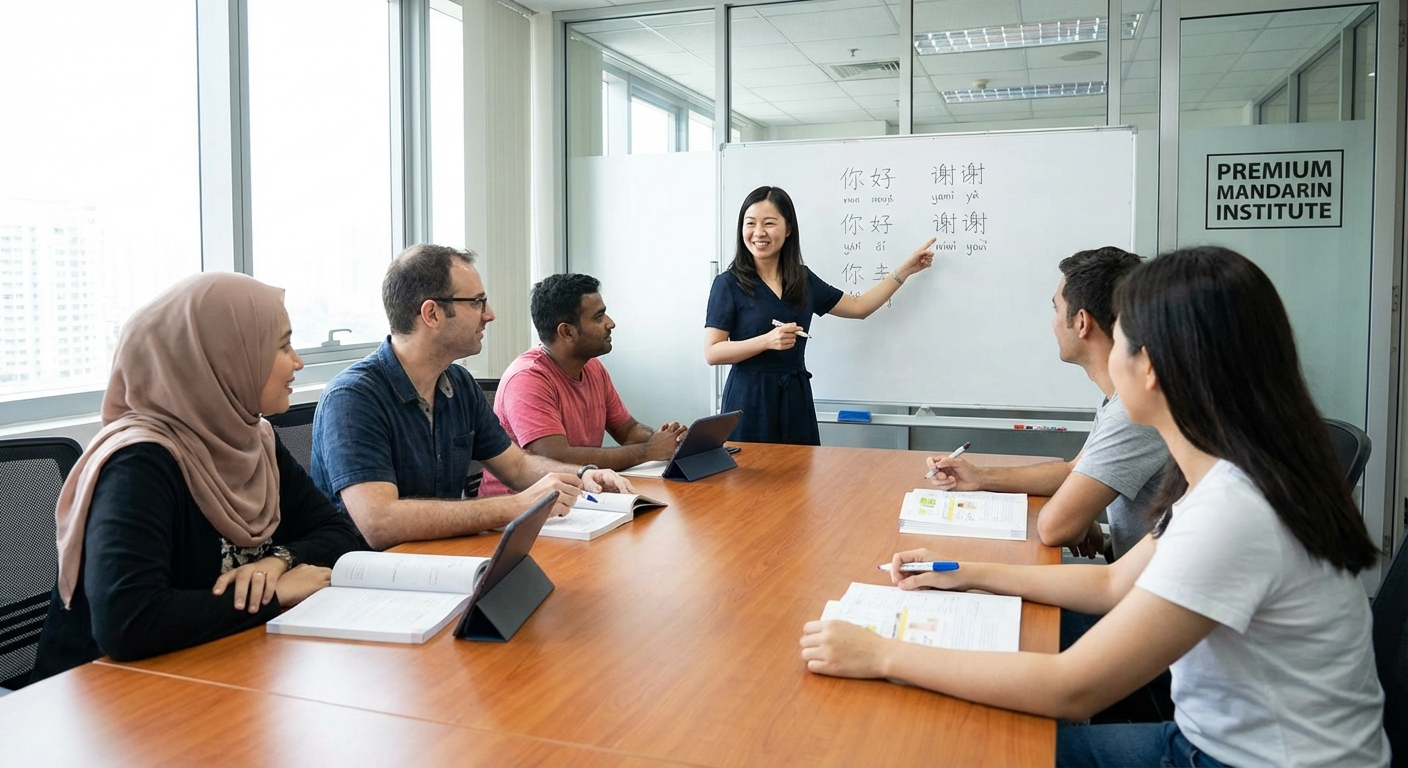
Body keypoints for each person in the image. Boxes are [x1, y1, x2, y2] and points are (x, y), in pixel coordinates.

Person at [800, 246, 1389, 768]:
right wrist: (962, 574)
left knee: (971, 746)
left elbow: (1071, 689)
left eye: (1124, 338)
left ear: (1151, 366)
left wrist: (879, 653)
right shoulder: (1234, 473)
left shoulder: (1234, 512)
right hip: (1218, 739)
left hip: (1226, 757)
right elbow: (1111, 586)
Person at [30, 273, 364, 681]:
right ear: (225, 356)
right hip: (106, 697)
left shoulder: (253, 440)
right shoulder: (139, 462)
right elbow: (128, 622)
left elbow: (340, 533)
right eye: (282, 346)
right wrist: (274, 596)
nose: (298, 362)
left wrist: (278, 563)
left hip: (216, 664)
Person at [311, 244, 632, 551]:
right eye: (477, 302)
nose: (489, 314)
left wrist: (579, 475)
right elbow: (380, 523)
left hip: (445, 558)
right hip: (373, 576)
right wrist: (517, 505)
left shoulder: (459, 383)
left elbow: (517, 465)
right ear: (432, 314)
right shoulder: (353, 396)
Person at [928, 247, 1169, 562]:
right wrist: (980, 477)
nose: (1054, 322)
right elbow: (1075, 470)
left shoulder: (1133, 410)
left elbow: (1055, 528)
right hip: (1128, 573)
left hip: (1141, 593)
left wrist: (1078, 518)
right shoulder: (1118, 394)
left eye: (1057, 309)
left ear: (1081, 322)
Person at [704, 185, 936, 445]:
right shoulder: (728, 283)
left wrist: (904, 270)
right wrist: (767, 341)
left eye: (769, 223)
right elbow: (713, 352)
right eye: (751, 223)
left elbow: (860, 308)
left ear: (788, 229)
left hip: (795, 398)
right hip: (748, 400)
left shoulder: (802, 278)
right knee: (748, 482)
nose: (759, 232)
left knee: (801, 481)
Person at [478, 273, 686, 496]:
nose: (610, 323)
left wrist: (673, 440)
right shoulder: (527, 379)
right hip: (520, 511)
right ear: (566, 332)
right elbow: (557, 458)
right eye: (598, 317)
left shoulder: (592, 367)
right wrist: (648, 451)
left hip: (578, 499)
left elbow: (628, 430)